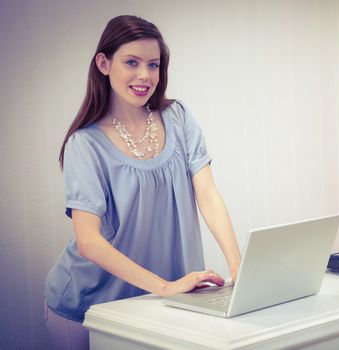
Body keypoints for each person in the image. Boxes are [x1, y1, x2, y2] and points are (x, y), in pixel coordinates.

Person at [44, 15, 241, 350]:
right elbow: (88, 241)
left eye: (154, 64)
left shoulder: (177, 117)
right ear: (104, 64)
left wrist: (241, 272)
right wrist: (163, 286)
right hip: (90, 307)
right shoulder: (85, 144)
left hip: (161, 304)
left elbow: (207, 194)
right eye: (131, 62)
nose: (144, 76)